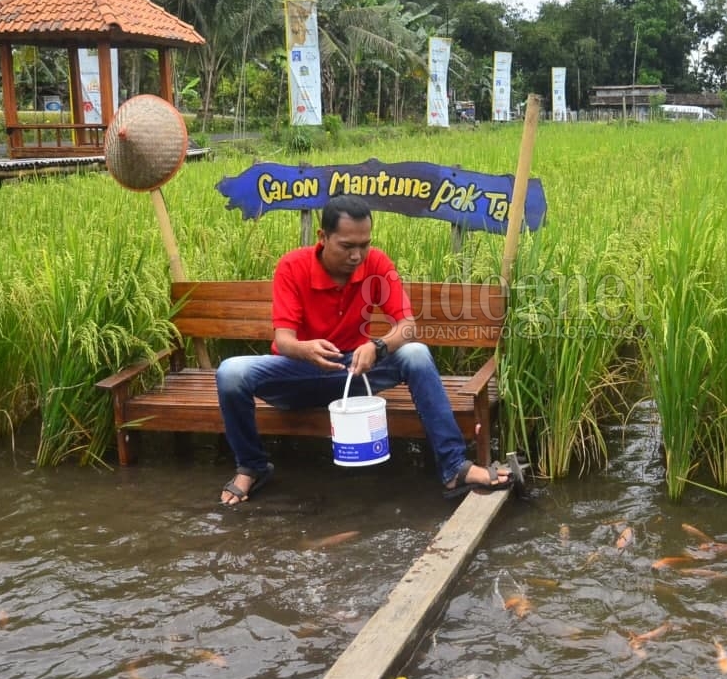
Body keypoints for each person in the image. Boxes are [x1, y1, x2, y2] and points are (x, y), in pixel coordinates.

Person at [216, 194, 513, 506]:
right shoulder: (293, 266)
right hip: (298, 373)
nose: (357, 255)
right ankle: (252, 466)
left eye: (364, 244)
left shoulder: (377, 263)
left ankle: (455, 468)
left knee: (416, 354)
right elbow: (285, 339)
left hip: (355, 372)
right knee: (231, 373)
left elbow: (407, 325)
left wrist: (378, 345)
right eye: (347, 246)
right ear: (323, 236)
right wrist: (305, 349)